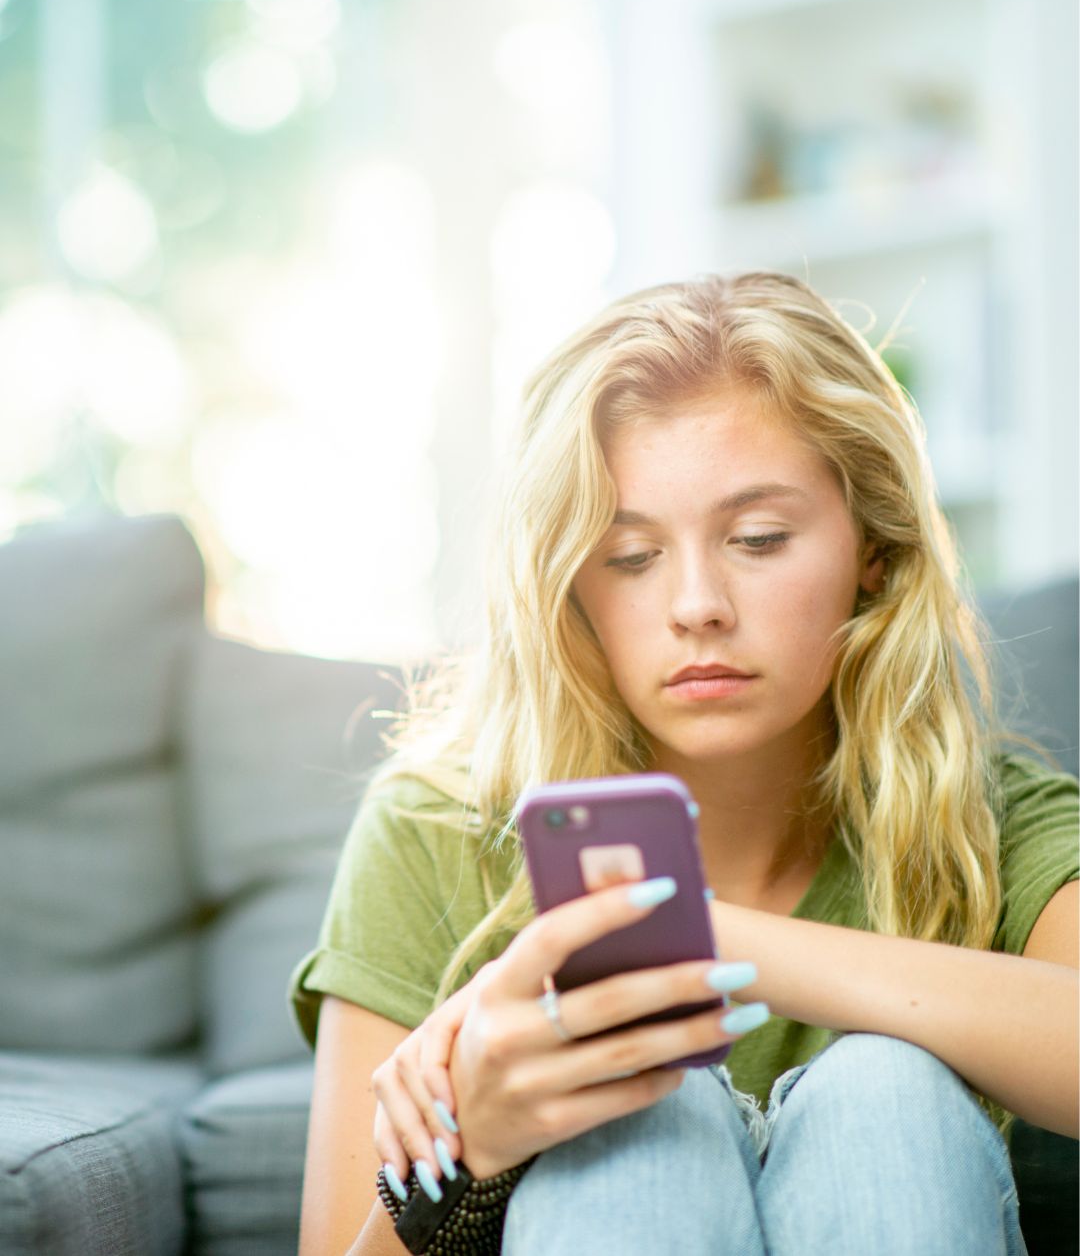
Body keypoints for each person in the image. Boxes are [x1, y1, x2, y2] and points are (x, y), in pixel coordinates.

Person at [288, 271, 1079, 1255]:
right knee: (642, 1123)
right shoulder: (434, 825)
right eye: (629, 557)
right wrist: (472, 1158)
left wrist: (697, 940)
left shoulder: (987, 817)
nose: (696, 604)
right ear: (570, 584)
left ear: (873, 549)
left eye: (757, 538)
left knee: (886, 1091)